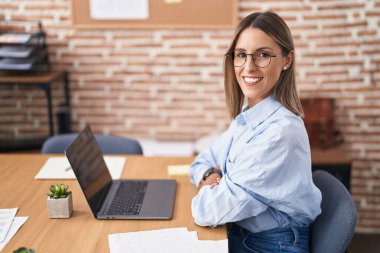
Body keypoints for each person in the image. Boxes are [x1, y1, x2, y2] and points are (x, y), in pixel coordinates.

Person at [189, 11, 322, 253]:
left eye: (262, 55)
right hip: (242, 233)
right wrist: (214, 178)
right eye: (241, 55)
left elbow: (207, 211)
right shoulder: (248, 117)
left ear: (287, 60)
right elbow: (202, 160)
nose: (248, 67)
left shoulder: (279, 132)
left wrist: (214, 185)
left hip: (271, 245)